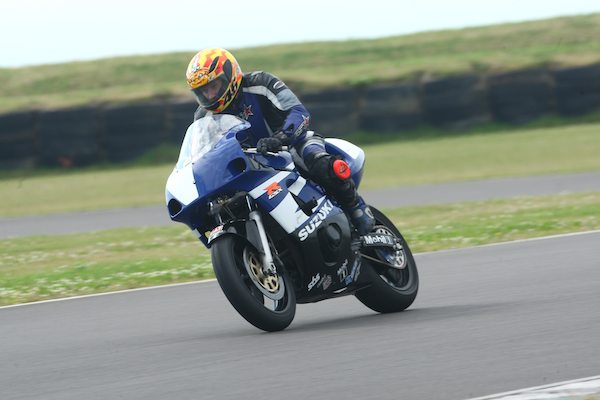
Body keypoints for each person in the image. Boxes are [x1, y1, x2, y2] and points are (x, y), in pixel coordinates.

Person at [185, 47, 375, 235]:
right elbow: (203, 153)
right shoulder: (203, 117)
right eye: (203, 91)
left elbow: (299, 112)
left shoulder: (260, 82)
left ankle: (356, 207)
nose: (210, 95)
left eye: (213, 86)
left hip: (290, 145)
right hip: (248, 167)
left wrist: (280, 137)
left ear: (229, 75)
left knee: (318, 160)